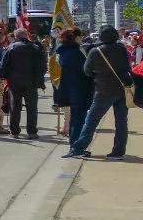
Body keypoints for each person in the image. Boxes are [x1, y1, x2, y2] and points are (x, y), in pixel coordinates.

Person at [70, 26, 133, 160]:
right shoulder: (121, 48)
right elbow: (127, 66)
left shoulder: (96, 51)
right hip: (122, 89)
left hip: (103, 90)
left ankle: (78, 148)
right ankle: (118, 152)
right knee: (121, 122)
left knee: (91, 121)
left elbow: (87, 71)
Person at [0, 28, 46, 139]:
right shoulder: (35, 48)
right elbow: (43, 66)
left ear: (16, 36)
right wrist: (39, 79)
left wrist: (6, 77)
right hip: (31, 82)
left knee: (15, 107)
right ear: (26, 35)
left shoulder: (11, 47)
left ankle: (14, 132)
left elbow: (3, 66)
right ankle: (32, 132)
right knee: (32, 108)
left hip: (14, 83)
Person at [56, 28, 93, 157]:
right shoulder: (75, 52)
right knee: (78, 120)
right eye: (80, 36)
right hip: (79, 89)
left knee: (75, 119)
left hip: (69, 89)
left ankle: (74, 146)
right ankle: (76, 147)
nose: (82, 38)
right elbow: (84, 71)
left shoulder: (63, 51)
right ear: (75, 37)